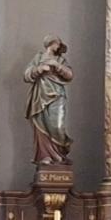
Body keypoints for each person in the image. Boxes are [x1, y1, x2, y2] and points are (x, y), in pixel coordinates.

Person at [25, 38, 75, 167]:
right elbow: (26, 75)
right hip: (40, 94)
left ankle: (59, 154)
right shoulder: (38, 57)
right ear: (51, 44)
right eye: (57, 43)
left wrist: (57, 66)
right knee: (40, 125)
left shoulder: (60, 60)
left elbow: (69, 75)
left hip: (57, 95)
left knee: (57, 126)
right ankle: (45, 156)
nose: (58, 46)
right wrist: (39, 69)